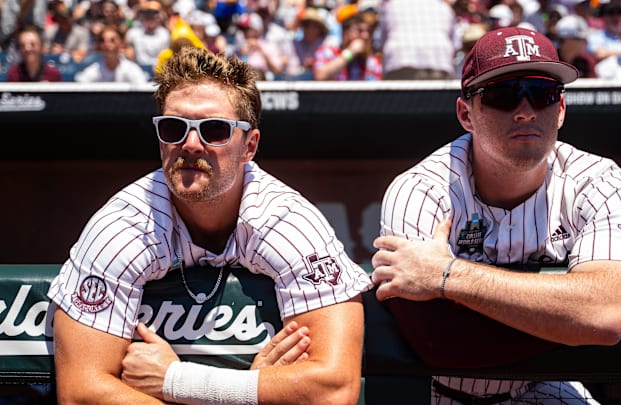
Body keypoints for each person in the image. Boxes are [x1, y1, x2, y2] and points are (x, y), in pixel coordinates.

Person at [370, 26, 621, 404]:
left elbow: (605, 313)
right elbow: (436, 342)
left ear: (560, 109)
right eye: (502, 95)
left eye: (542, 94)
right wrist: (583, 323)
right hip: (435, 393)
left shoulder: (598, 180)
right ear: (466, 113)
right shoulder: (423, 189)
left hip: (540, 386)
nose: (525, 111)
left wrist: (447, 275)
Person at [48, 45, 374, 404]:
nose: (191, 144)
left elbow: (334, 389)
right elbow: (81, 393)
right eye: (173, 127)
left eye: (214, 130)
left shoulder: (287, 220)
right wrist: (257, 392)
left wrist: (178, 381)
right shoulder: (122, 225)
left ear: (249, 146)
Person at [377, 0, 456, 80]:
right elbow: (454, 44)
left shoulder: (391, 6)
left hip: (400, 60)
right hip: (439, 61)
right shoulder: (443, 7)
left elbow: (382, 41)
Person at [313, 12, 382, 81]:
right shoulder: (329, 52)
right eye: (359, 31)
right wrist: (350, 53)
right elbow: (320, 76)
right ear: (345, 33)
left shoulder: (371, 61)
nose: (365, 36)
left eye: (368, 32)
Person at [74, 25, 149, 84]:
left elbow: (142, 88)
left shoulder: (131, 69)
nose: (107, 44)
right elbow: (80, 85)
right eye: (103, 41)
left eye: (112, 40)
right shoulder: (94, 70)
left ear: (121, 43)